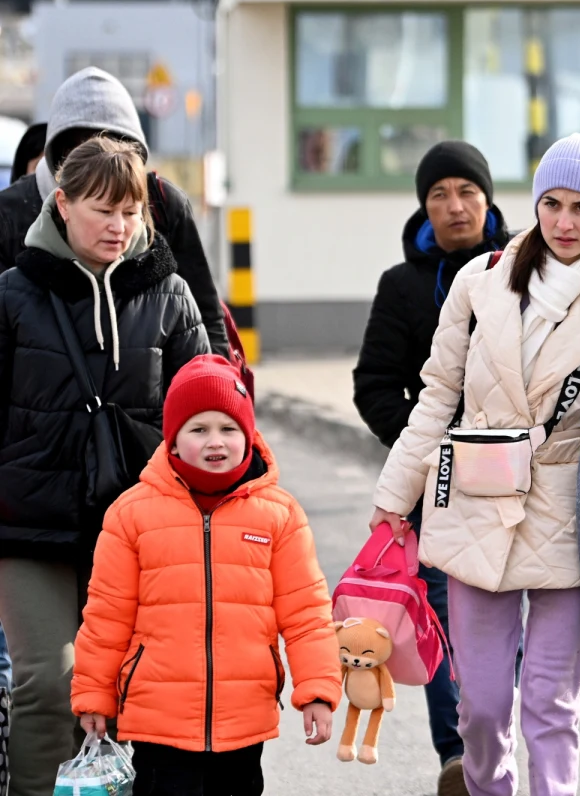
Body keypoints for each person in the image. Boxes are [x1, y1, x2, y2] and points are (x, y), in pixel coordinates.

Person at [370, 133, 580, 796]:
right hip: (477, 502)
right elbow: (434, 399)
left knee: (548, 702)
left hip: (574, 509)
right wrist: (394, 498)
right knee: (479, 709)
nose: (565, 223)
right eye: (553, 204)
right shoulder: (480, 283)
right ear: (536, 204)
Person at [0, 138, 211, 796]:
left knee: (127, 686)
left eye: (132, 211)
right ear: (61, 204)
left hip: (135, 530)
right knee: (46, 682)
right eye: (103, 210)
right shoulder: (12, 294)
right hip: (28, 527)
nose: (120, 227)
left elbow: (207, 410)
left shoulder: (170, 296)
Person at [71, 355, 342, 796]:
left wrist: (316, 689)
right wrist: (95, 695)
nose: (215, 441)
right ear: (173, 441)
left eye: (228, 429)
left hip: (245, 719)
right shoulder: (131, 514)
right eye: (199, 430)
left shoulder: (279, 515)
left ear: (249, 437)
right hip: (159, 722)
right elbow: (106, 616)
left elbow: (306, 612)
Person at [353, 140, 510, 796]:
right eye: (440, 194)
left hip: (519, 480)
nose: (455, 206)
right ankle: (459, 759)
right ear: (423, 206)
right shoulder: (403, 286)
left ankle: (490, 734)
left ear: (488, 199)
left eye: (467, 191)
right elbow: (375, 384)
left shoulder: (523, 268)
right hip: (439, 490)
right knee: (444, 622)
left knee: (513, 620)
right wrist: (429, 447)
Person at [0, 67, 229, 357]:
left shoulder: (164, 204)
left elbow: (206, 320)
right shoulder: (10, 213)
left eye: (114, 147)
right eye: (83, 149)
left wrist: (217, 391)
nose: (101, 159)